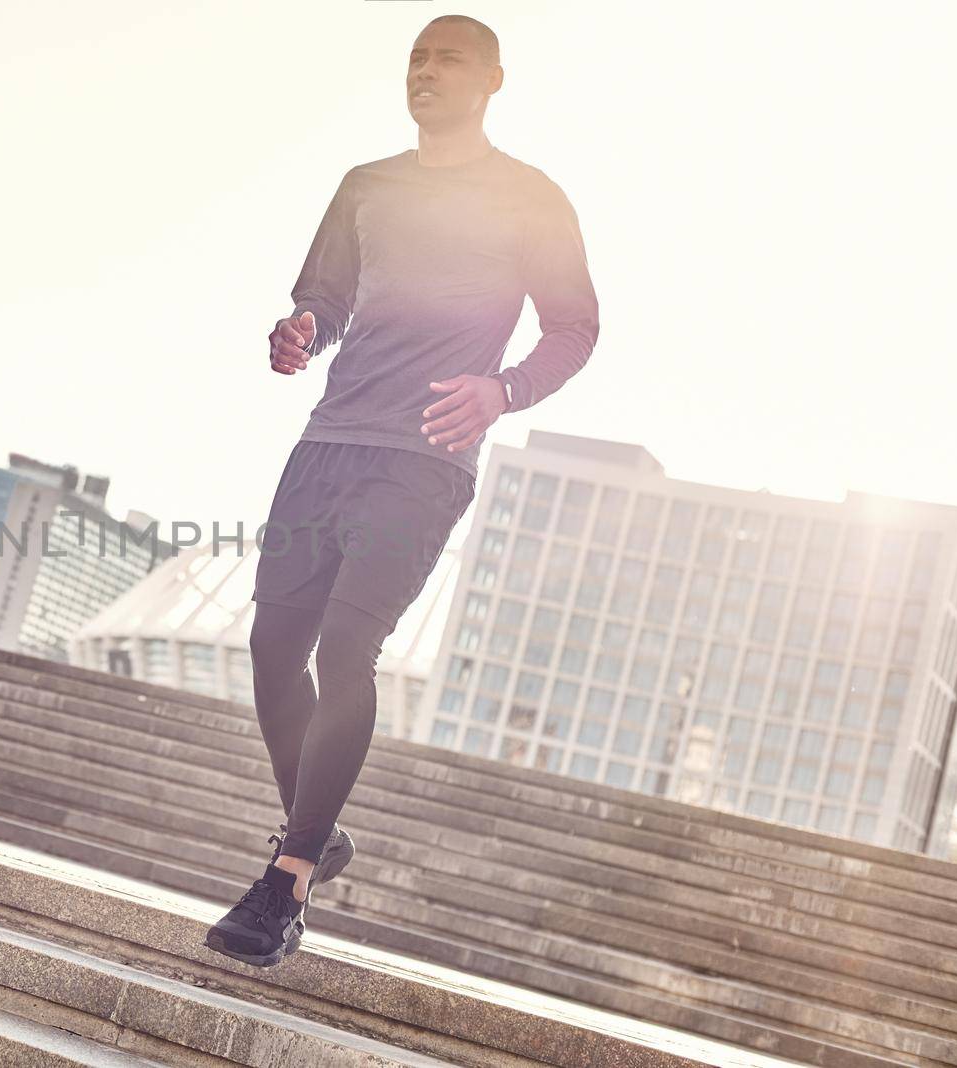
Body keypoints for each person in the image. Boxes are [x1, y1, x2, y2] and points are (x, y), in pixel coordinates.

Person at [204, 13, 601, 968]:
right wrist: (301, 330)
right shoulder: (365, 186)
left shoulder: (531, 197)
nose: (426, 72)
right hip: (327, 441)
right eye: (416, 59)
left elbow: (576, 327)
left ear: (493, 81)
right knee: (272, 649)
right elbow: (324, 298)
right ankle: (320, 829)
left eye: (448, 59)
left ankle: (287, 882)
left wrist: (503, 390)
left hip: (424, 456)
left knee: (347, 647)